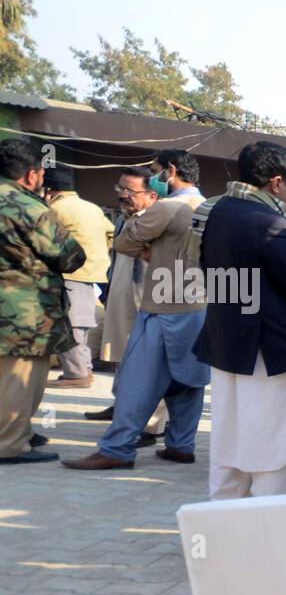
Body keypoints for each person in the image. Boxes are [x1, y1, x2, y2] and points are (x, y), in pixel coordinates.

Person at [192, 141, 286, 499]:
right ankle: (272, 540)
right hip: (271, 354)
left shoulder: (215, 213)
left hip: (225, 347)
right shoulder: (274, 227)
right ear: (276, 182)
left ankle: (224, 535)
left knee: (228, 451)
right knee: (276, 456)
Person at [63, 149, 209, 471]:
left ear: (170, 171)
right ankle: (181, 444)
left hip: (162, 306)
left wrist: (150, 247)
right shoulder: (210, 206)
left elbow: (124, 243)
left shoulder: (168, 207)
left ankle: (117, 448)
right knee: (186, 380)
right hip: (198, 304)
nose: (153, 178)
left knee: (137, 379)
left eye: (156, 171)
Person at [0, 137, 86, 465]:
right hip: (23, 314)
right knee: (20, 379)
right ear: (32, 175)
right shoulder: (30, 207)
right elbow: (70, 257)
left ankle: (17, 433)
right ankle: (9, 444)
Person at [85, 167, 167, 443]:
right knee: (122, 358)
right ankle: (121, 408)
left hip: (146, 302)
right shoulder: (124, 220)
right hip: (121, 298)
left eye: (130, 191)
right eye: (120, 189)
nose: (122, 195)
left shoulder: (158, 221)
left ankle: (150, 425)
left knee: (147, 364)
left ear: (152, 195)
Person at [41, 165, 113, 389]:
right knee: (78, 324)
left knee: (69, 326)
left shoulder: (54, 209)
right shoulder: (91, 208)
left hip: (69, 273)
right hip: (94, 272)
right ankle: (84, 371)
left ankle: (77, 373)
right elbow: (111, 232)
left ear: (49, 189)